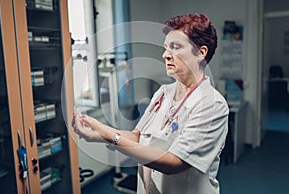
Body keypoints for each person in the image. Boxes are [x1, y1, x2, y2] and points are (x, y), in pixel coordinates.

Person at [72, 13, 229, 194]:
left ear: (201, 53)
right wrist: (97, 132)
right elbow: (139, 137)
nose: (165, 55)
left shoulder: (212, 105)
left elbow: (173, 162)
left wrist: (108, 135)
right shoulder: (164, 93)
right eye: (166, 47)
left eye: (175, 47)